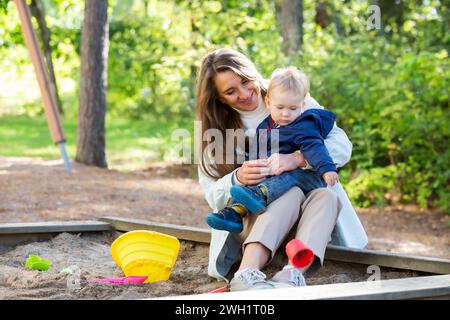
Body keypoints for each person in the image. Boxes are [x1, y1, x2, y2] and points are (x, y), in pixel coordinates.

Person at [196, 48, 367, 291]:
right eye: (231, 92)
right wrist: (237, 178)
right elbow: (211, 193)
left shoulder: (286, 92)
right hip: (259, 220)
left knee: (327, 196)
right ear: (220, 98)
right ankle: (246, 272)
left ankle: (293, 274)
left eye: (245, 82)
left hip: (305, 217)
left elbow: (342, 145)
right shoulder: (217, 129)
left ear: (253, 73)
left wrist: (298, 158)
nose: (245, 94)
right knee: (290, 193)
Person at [205, 67, 340, 233]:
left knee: (289, 176)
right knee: (255, 185)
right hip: (278, 179)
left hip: (308, 177)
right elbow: (258, 152)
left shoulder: (303, 125)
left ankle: (260, 194)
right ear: (269, 103)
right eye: (280, 107)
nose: (285, 114)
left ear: (302, 105)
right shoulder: (266, 126)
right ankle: (233, 213)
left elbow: (315, 147)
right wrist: (255, 170)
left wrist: (326, 168)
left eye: (292, 109)